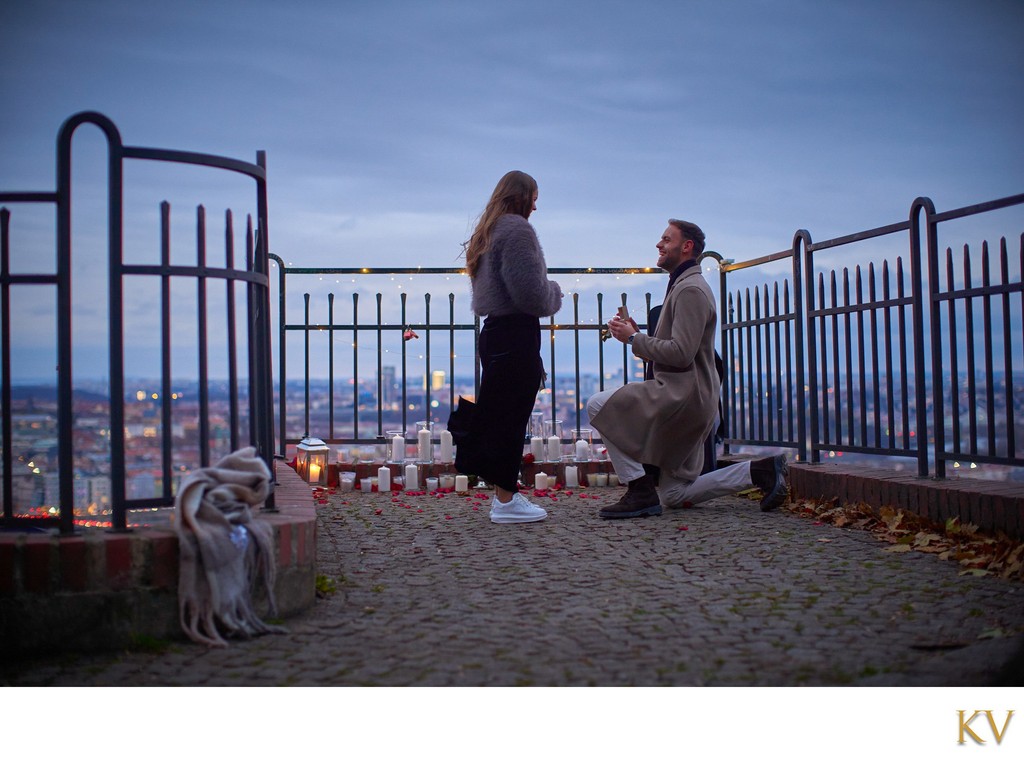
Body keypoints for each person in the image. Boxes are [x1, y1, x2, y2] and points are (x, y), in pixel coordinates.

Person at [587, 218, 788, 519]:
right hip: (692, 395)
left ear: (686, 247)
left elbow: (681, 354)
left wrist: (635, 339)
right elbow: (680, 347)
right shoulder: (684, 285)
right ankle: (759, 472)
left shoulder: (690, 290)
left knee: (597, 405)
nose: (659, 244)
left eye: (667, 239)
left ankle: (639, 490)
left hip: (684, 396)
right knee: (674, 494)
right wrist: (637, 335)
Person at [448, 171, 562, 524]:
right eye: (534, 197)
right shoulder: (516, 230)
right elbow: (529, 292)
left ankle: (504, 495)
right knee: (510, 417)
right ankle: (505, 500)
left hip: (495, 332)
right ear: (522, 196)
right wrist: (555, 292)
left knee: (501, 413)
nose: (536, 205)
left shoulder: (490, 230)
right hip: (515, 331)